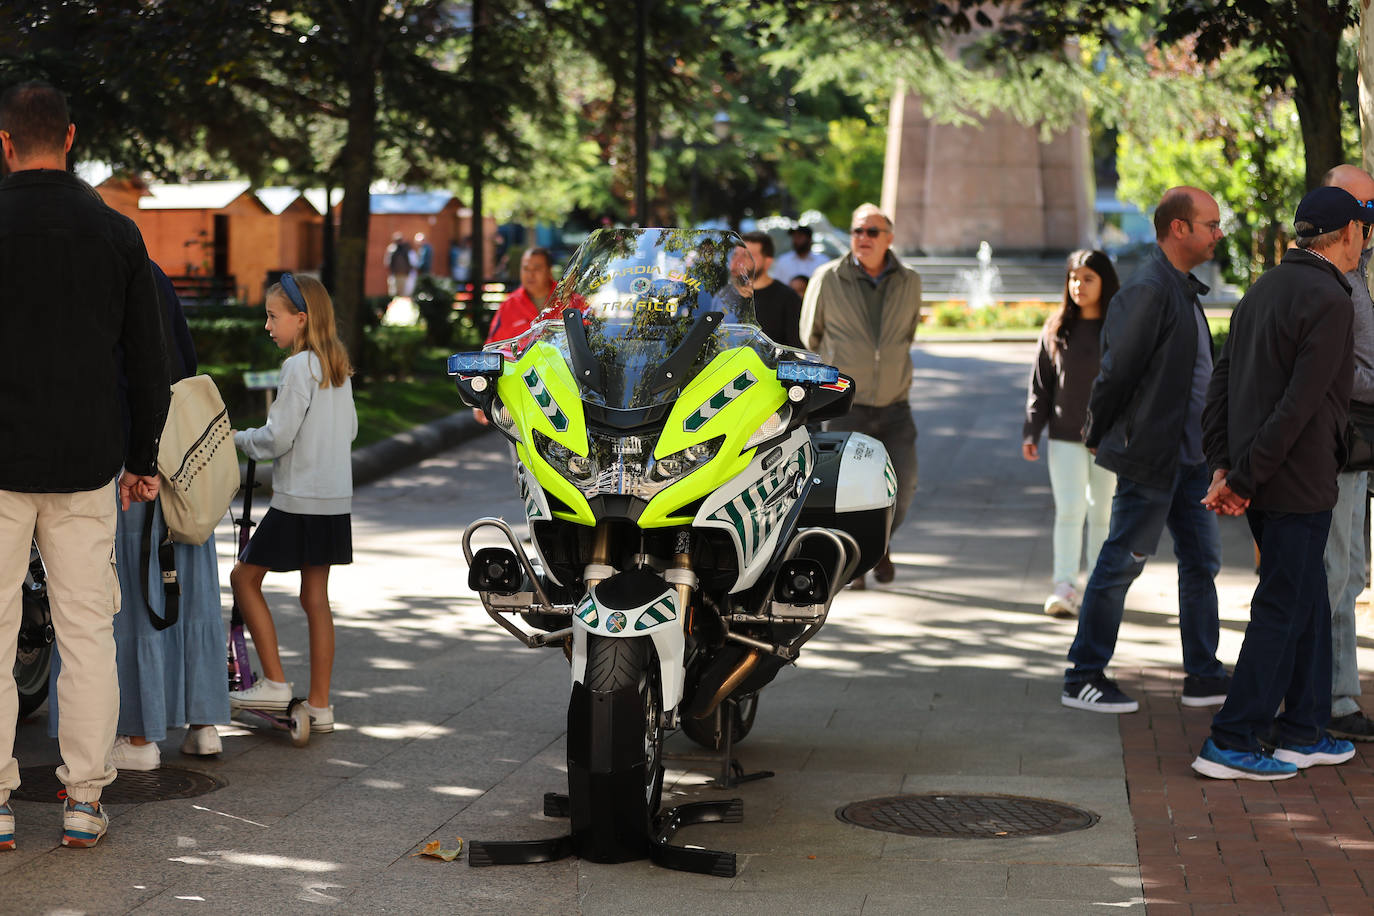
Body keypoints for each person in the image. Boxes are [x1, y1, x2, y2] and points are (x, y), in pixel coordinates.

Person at [0, 79, 169, 849]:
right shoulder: (116, 232)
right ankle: (84, 797)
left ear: (4, 143)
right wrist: (143, 459)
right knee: (86, 633)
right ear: (69, 140)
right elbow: (148, 360)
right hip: (86, 459)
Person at [1191, 185, 1367, 780]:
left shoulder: (1264, 287)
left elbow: (1221, 382)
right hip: (1294, 479)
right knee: (1282, 605)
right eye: (1363, 231)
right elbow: (1300, 404)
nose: (1365, 243)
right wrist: (1237, 476)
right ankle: (1231, 738)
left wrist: (1225, 466)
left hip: (1269, 476)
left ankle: (1304, 729)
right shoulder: (1331, 298)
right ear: (1347, 233)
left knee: (1307, 594)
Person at [47, 263, 230, 770]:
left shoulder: (90, 275)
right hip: (184, 455)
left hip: (128, 460)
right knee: (188, 587)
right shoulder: (151, 272)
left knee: (127, 594)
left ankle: (139, 734)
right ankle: (203, 723)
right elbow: (180, 358)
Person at [1061, 186, 1229, 714]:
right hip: (1152, 458)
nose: (1218, 234)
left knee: (1202, 562)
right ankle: (1083, 674)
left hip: (1190, 461)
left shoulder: (1179, 288)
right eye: (1210, 224)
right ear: (1179, 228)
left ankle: (1204, 674)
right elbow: (1116, 373)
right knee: (1120, 562)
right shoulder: (1150, 290)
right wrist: (1095, 430)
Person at [227, 273, 357, 735]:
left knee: (243, 577)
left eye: (272, 316)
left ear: (300, 319)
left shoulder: (298, 366)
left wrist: (236, 438)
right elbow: (352, 432)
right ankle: (320, 705)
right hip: (333, 500)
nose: (267, 326)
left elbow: (277, 437)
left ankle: (275, 682)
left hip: (299, 499)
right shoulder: (334, 366)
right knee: (315, 598)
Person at [800, 203, 921, 587]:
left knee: (903, 487)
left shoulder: (910, 280)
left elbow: (907, 335)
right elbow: (810, 336)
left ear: (889, 238)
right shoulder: (828, 277)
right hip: (845, 406)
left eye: (872, 232)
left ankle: (881, 544)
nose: (862, 239)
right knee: (844, 493)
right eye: (857, 231)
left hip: (895, 405)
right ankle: (857, 560)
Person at [1022, 250, 1121, 618]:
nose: (1079, 285)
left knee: (1103, 512)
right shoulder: (1056, 328)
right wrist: (1032, 430)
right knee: (1069, 510)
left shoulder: (1120, 326)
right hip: (1064, 436)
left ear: (1104, 282)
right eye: (1073, 278)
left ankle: (1098, 587)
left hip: (1110, 438)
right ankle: (1064, 586)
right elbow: (1041, 386)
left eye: (1088, 278)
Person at [1317, 165, 1374, 742]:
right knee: (1334, 574)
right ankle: (1326, 698)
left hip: (1354, 448)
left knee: (1349, 573)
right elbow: (1338, 371)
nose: (1369, 225)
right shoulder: (1326, 279)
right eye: (1365, 213)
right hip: (1336, 445)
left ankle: (1338, 695)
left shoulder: (1353, 276)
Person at [475, 247, 557, 425]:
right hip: (519, 396)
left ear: (549, 270)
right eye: (526, 268)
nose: (530, 274)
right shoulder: (509, 306)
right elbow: (492, 348)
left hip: (562, 392)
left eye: (537, 268)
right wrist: (481, 396)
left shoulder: (569, 301)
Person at [739, 231, 804, 349]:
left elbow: (795, 347)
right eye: (741, 255)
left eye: (751, 255)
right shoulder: (726, 295)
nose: (744, 261)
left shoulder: (788, 298)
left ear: (768, 261)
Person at [384, 232, 413, 297]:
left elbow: (409, 261)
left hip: (404, 274)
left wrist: (408, 271)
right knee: (394, 291)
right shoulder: (391, 249)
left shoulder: (406, 249)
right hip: (395, 274)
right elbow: (388, 262)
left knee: (403, 292)